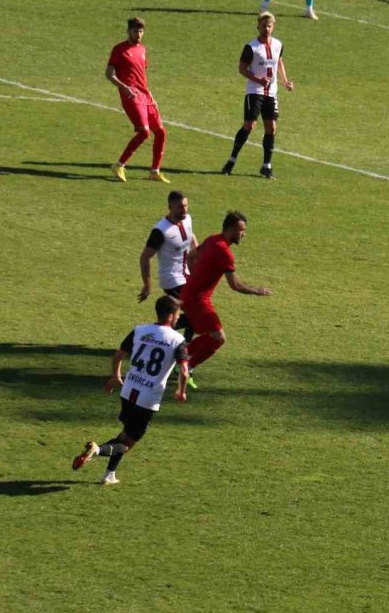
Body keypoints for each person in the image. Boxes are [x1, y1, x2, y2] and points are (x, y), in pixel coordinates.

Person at [72, 295, 188, 484]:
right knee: (127, 443)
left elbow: (118, 356)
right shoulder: (178, 340)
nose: (178, 318)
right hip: (148, 399)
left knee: (125, 435)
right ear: (169, 316)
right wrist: (181, 391)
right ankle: (97, 450)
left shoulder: (139, 330)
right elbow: (184, 371)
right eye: (177, 315)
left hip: (128, 390)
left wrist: (116, 376)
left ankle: (109, 474)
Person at [181, 210, 272, 371]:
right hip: (198, 299)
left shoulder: (212, 239)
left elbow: (190, 257)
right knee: (218, 338)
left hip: (189, 294)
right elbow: (235, 285)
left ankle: (181, 360)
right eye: (241, 230)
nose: (244, 234)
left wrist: (195, 278)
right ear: (231, 229)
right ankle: (184, 365)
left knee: (210, 335)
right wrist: (257, 291)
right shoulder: (224, 252)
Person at [221, 13, 293, 181]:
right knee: (249, 125)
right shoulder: (251, 47)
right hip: (255, 92)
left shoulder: (278, 44)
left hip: (272, 93)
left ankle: (266, 166)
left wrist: (285, 81)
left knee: (271, 127)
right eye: (263, 26)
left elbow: (279, 62)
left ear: (273, 27)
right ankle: (231, 161)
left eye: (269, 26)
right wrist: (258, 80)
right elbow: (242, 69)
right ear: (258, 27)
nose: (266, 29)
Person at [138, 189, 199, 388]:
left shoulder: (187, 219)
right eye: (180, 207)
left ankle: (162, 334)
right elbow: (145, 257)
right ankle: (179, 353)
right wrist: (147, 285)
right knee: (195, 316)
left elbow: (190, 236)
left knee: (195, 316)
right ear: (170, 206)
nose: (184, 209)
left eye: (186, 205)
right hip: (171, 280)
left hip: (186, 275)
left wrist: (196, 253)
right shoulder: (160, 231)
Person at [105, 16, 169, 183]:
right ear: (128, 31)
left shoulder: (142, 50)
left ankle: (154, 171)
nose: (138, 34)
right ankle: (119, 165)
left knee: (161, 132)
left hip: (145, 95)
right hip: (131, 96)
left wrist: (150, 95)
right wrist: (124, 88)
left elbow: (141, 75)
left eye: (141, 31)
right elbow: (109, 74)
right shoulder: (119, 50)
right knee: (144, 132)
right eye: (135, 31)